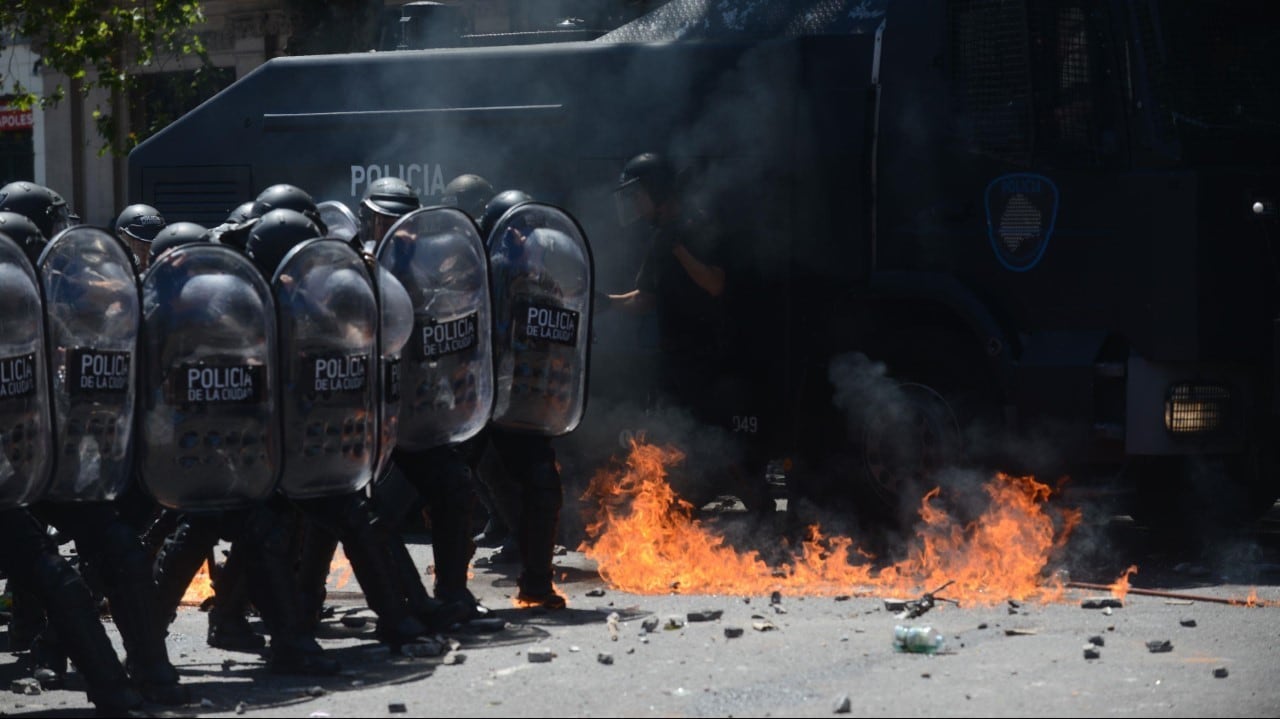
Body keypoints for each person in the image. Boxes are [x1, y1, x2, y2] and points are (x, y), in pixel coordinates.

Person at [0, 187, 190, 706]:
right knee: (45, 566)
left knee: (118, 550)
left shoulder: (72, 295)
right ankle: (98, 679)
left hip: (52, 457)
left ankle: (146, 676)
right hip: (11, 470)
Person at [114, 203, 166, 270]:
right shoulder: (112, 273)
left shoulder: (167, 273)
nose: (146, 256)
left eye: (151, 247)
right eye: (141, 247)